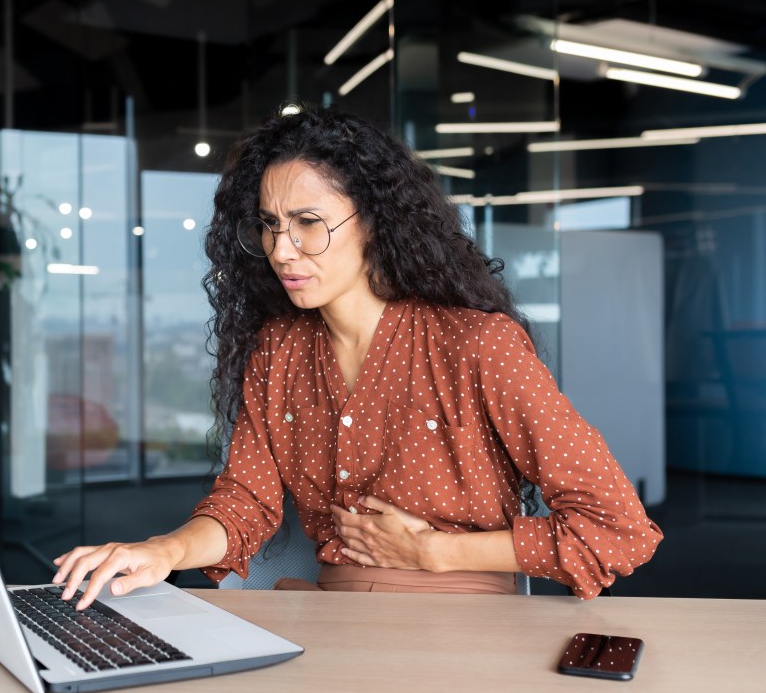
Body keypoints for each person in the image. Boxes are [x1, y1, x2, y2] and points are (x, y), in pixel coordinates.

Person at [53, 105, 663, 606]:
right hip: (333, 620)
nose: (283, 249)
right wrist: (162, 551)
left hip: (468, 628)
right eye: (269, 225)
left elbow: (617, 529)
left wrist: (435, 551)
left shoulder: (477, 345)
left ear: (372, 220)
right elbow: (245, 501)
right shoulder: (279, 351)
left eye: (308, 223)